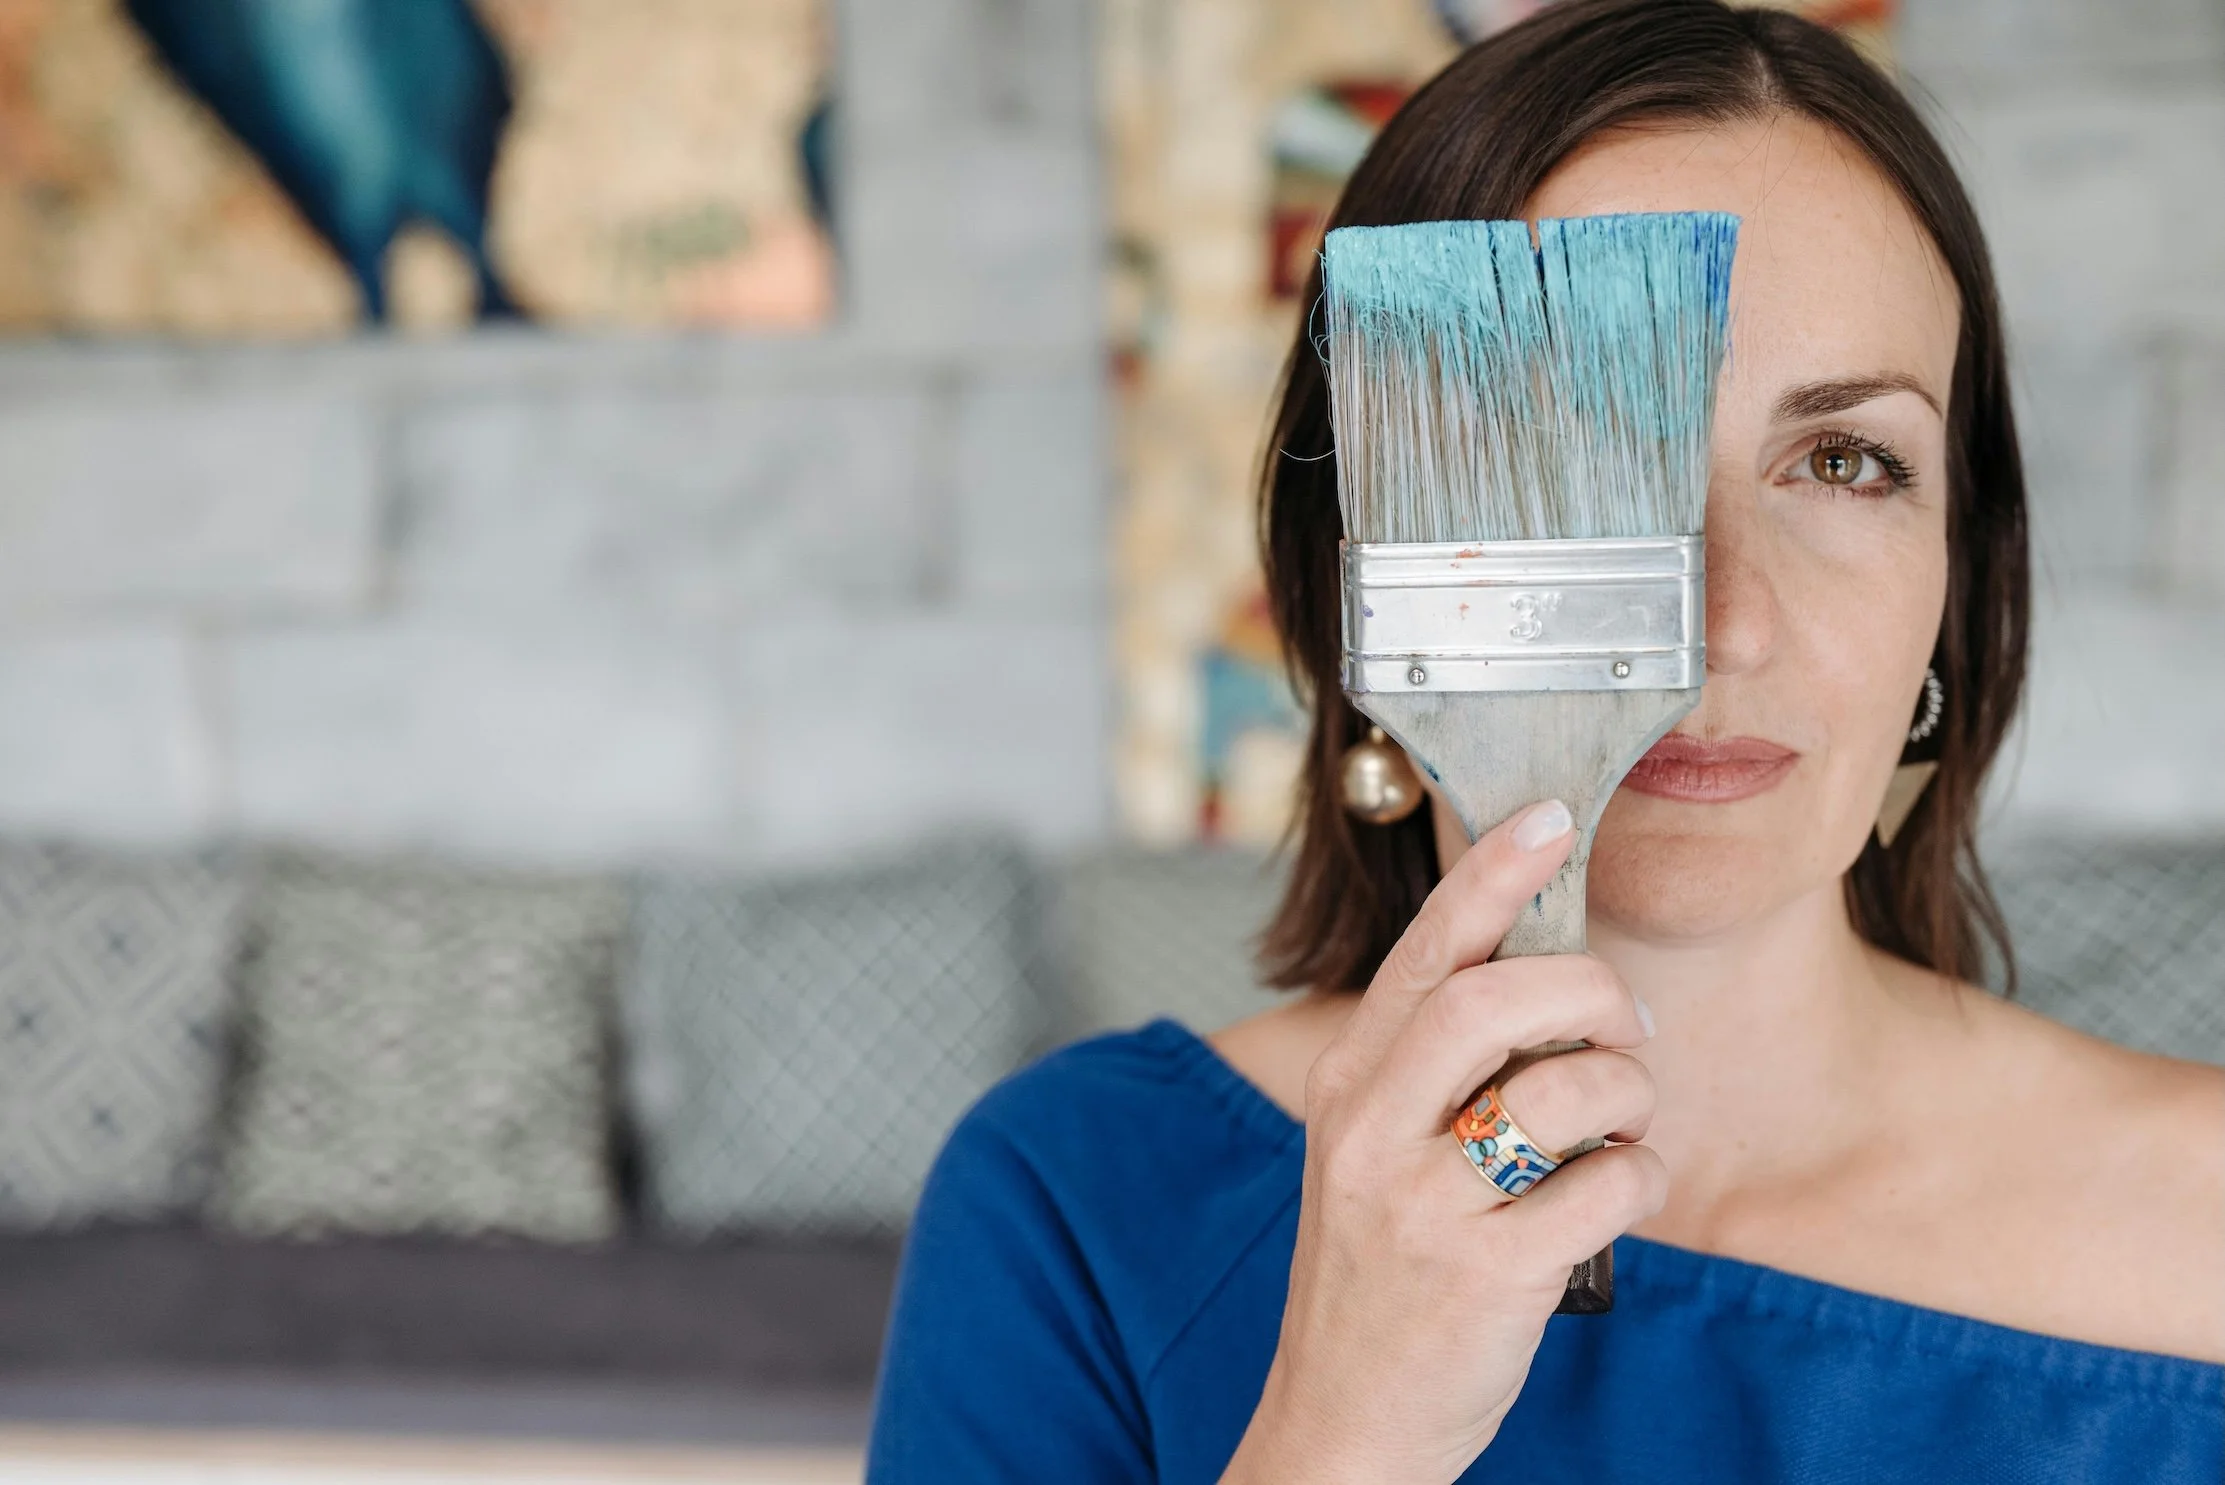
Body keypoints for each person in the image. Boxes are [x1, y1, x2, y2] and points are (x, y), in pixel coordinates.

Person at [864, 2, 2225, 1479]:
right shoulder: (1080, 1205)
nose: (1722, 621)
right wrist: (1347, 1424)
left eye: (1845, 461)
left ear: (1954, 587)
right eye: (1584, 450)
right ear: (1358, 588)